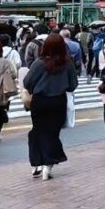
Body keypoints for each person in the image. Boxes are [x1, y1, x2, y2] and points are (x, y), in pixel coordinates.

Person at [23, 34, 79, 180]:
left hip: (40, 101)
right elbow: (73, 85)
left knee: (38, 130)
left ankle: (37, 164)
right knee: (52, 133)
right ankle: (48, 164)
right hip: (58, 102)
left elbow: (27, 82)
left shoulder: (39, 63)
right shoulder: (67, 64)